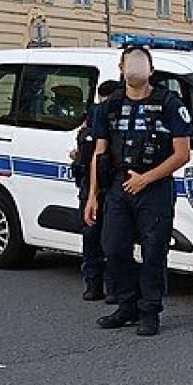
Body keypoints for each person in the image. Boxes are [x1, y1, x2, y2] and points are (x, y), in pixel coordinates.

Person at [84, 46, 191, 337]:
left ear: (150, 71)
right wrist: (93, 195)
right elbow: (99, 152)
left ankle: (149, 311)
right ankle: (126, 305)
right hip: (120, 185)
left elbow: (182, 154)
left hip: (154, 187)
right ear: (121, 69)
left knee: (154, 251)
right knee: (114, 247)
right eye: (128, 64)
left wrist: (146, 179)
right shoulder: (110, 105)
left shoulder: (169, 103)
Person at [71, 80, 120, 303]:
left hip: (110, 186)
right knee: (92, 237)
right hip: (91, 186)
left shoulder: (119, 121)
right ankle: (94, 285)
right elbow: (84, 152)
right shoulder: (92, 119)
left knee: (111, 240)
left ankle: (111, 288)